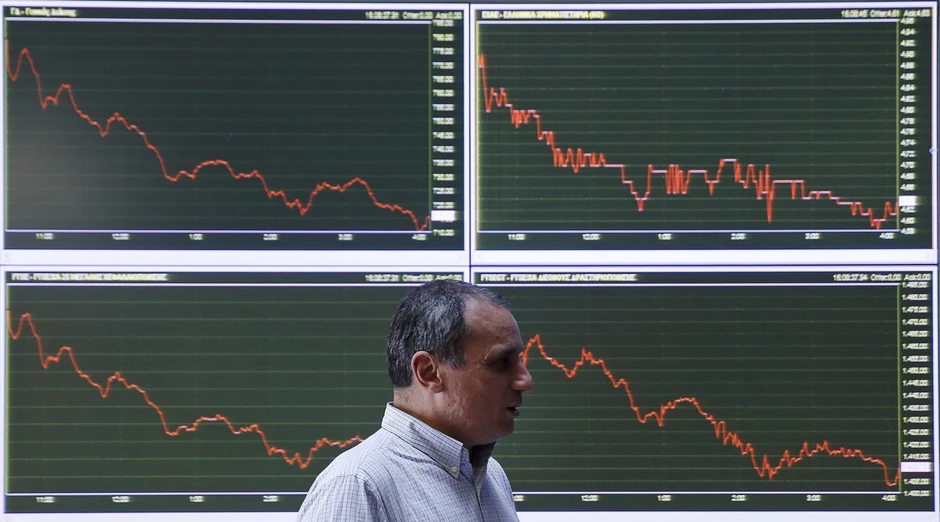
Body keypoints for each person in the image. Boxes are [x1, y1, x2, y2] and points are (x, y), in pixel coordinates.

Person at [296, 279, 534, 521]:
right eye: (501, 362)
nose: (526, 381)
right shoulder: (358, 485)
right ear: (428, 372)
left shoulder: (491, 474)